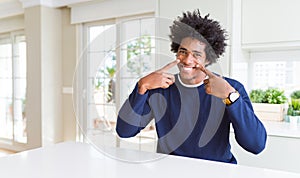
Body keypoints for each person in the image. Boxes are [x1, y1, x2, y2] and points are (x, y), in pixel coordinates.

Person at [116, 9, 267, 164]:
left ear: (208, 59)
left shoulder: (230, 88)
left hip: (217, 171)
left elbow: (256, 145)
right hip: (170, 170)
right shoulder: (161, 87)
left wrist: (231, 97)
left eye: (197, 54)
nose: (187, 60)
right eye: (183, 52)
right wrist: (141, 87)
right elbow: (125, 131)